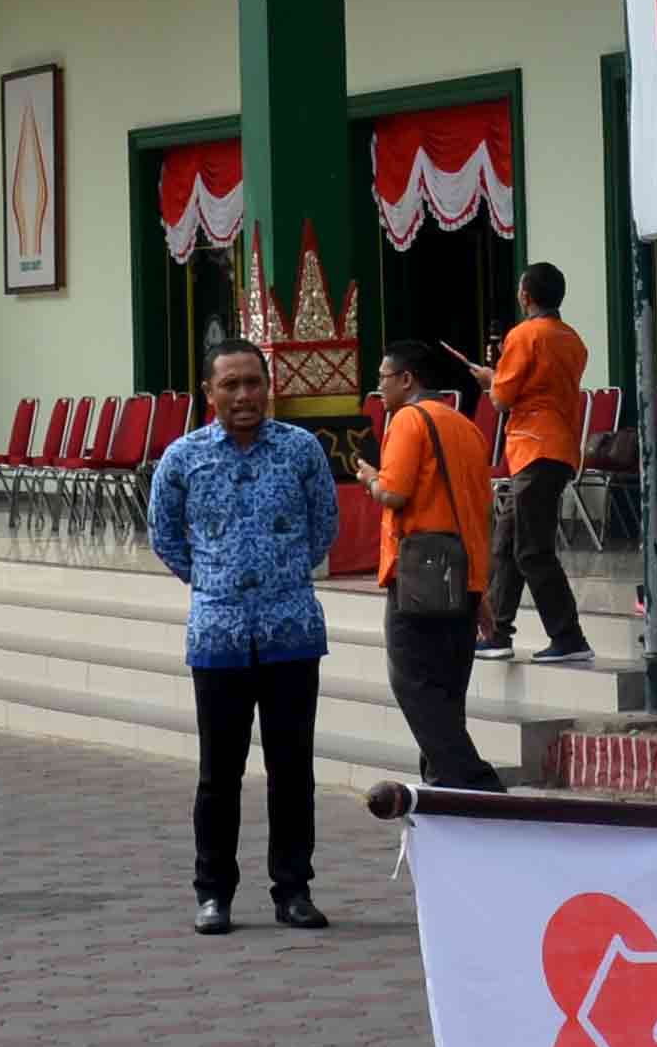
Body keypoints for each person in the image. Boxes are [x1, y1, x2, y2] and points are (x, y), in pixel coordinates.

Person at [144, 338, 343, 939]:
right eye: (229, 385)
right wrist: (213, 580)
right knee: (218, 772)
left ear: (268, 387)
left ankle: (294, 889)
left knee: (292, 768)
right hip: (219, 636)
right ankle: (213, 893)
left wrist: (281, 580)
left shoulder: (302, 450)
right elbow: (165, 538)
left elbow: (324, 526)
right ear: (210, 393)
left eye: (253, 382)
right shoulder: (182, 459)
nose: (243, 396)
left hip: (291, 633)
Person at [366, 340, 505, 795]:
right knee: (446, 692)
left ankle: (478, 784)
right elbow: (476, 513)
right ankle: (447, 788)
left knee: (412, 683)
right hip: (460, 575)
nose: (379, 387)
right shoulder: (467, 428)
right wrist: (479, 588)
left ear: (407, 380)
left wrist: (369, 478)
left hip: (420, 576)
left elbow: (395, 494)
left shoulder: (409, 420)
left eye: (384, 378)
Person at [481, 265, 597, 669]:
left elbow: (501, 398)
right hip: (557, 446)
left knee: (531, 551)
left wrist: (489, 378)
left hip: (534, 446)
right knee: (508, 543)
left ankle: (568, 636)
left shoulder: (525, 335)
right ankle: (495, 632)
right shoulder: (571, 339)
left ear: (526, 295)